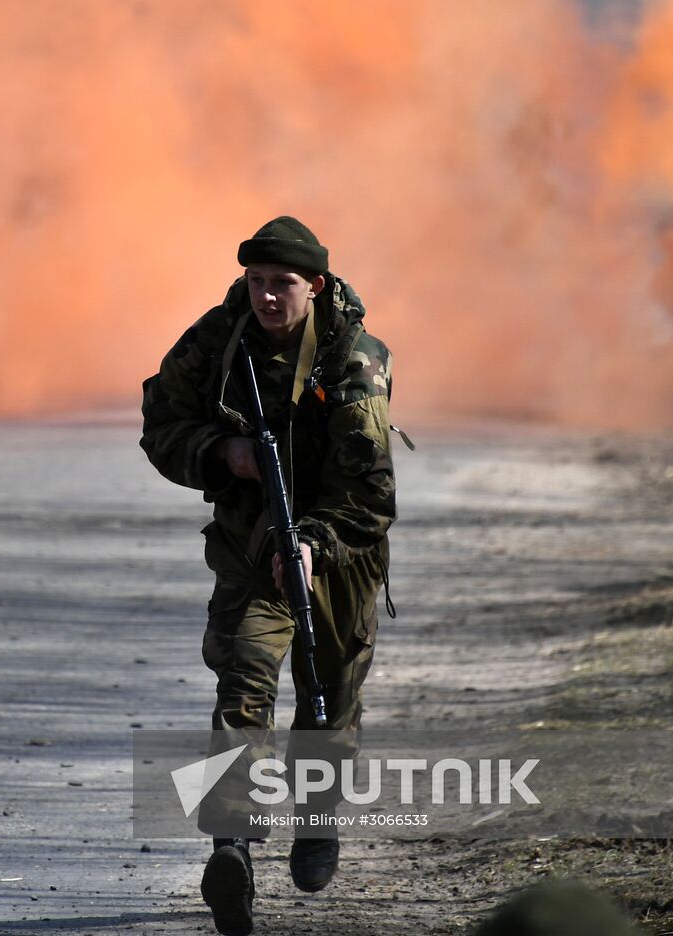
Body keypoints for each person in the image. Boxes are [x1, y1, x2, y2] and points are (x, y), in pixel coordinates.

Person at [139, 216, 397, 935]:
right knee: (243, 685)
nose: (267, 298)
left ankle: (318, 820)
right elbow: (159, 424)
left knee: (328, 695)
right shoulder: (219, 342)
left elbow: (371, 496)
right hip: (253, 553)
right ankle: (232, 847)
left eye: (282, 285)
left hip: (338, 555)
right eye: (256, 282)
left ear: (314, 286)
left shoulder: (354, 360)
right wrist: (222, 453)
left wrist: (313, 542)